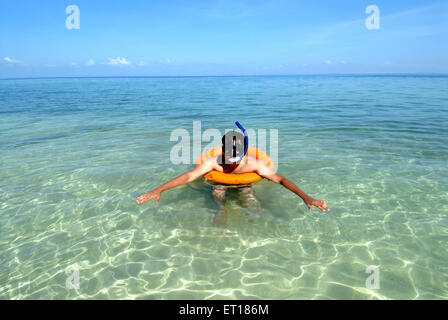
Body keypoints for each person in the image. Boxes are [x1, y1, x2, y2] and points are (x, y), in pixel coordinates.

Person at [136, 130, 330, 213]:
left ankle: (255, 223)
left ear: (243, 152)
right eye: (228, 152)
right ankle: (221, 212)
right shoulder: (215, 162)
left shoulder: (252, 164)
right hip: (219, 182)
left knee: (249, 198)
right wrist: (158, 189)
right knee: (217, 191)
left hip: (245, 182)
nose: (230, 158)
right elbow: (188, 176)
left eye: (236, 153)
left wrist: (306, 197)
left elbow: (280, 180)